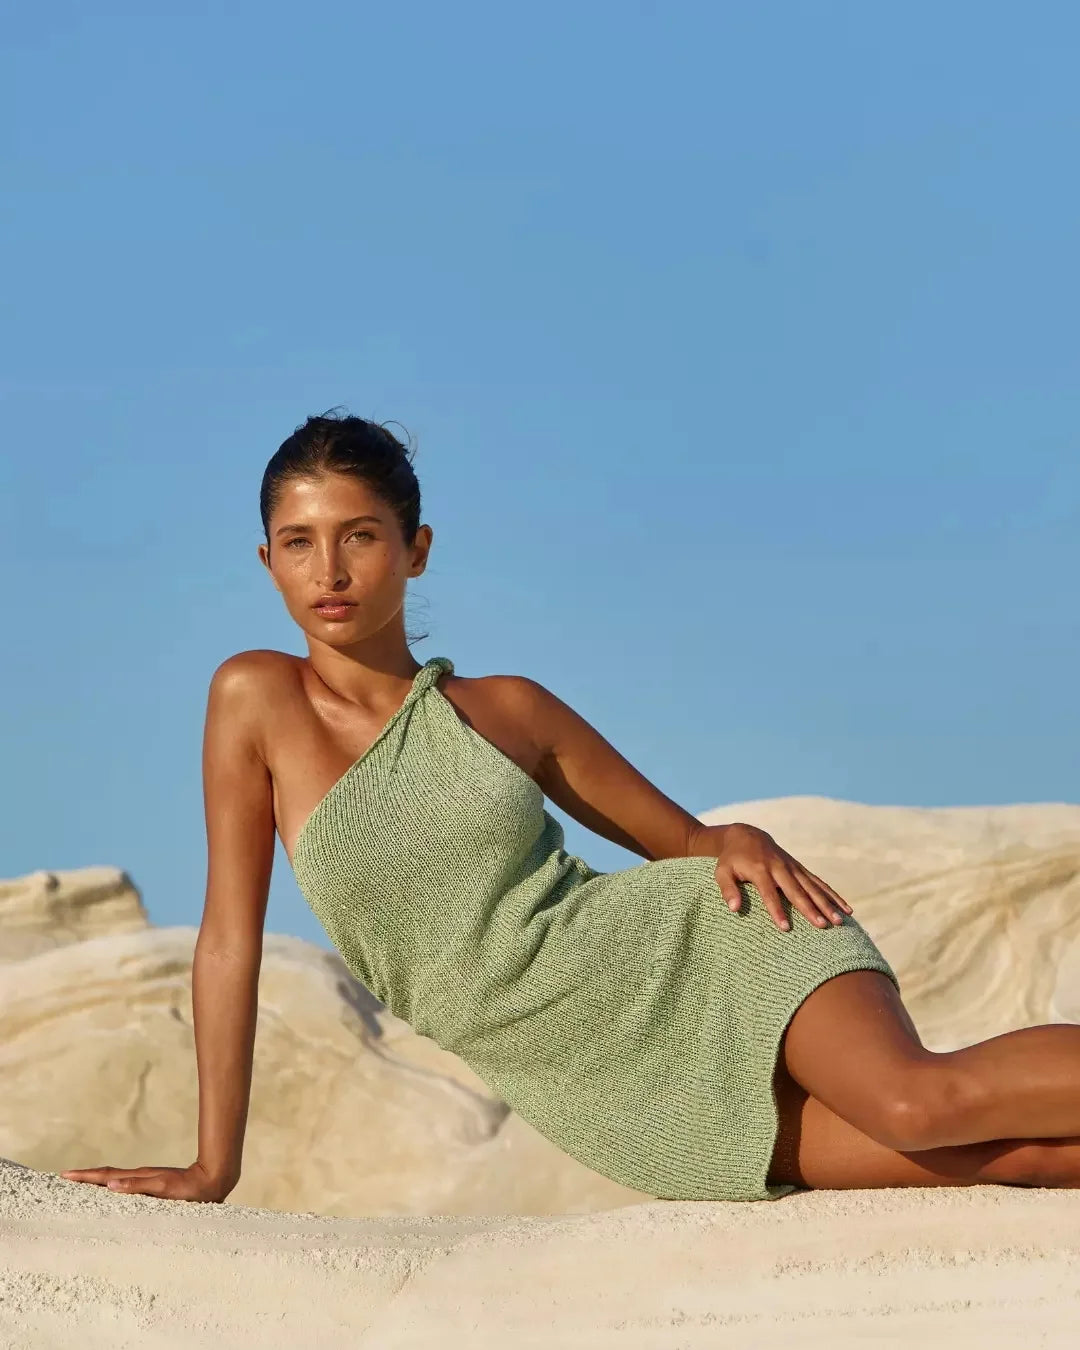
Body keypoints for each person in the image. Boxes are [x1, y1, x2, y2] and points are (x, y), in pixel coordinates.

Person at [63, 411, 1080, 1206]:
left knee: (918, 1101)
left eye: (360, 536)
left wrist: (738, 839)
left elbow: (688, 844)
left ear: (416, 550)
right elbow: (228, 942)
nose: (329, 571)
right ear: (266, 562)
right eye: (298, 542)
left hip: (701, 953)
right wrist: (214, 1166)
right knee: (1009, 1158)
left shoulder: (509, 711)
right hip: (595, 1074)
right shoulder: (255, 697)